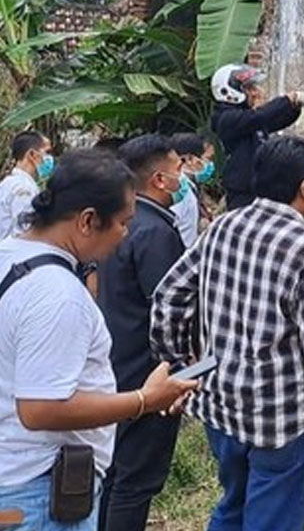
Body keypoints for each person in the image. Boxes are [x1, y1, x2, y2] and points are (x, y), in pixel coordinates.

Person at [151, 135, 304, 531]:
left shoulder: (223, 227)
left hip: (221, 409)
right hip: (281, 423)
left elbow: (168, 295)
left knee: (233, 506)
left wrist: (182, 370)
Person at [0, 150, 195, 531]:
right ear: (88, 220)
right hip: (39, 493)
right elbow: (39, 409)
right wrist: (144, 400)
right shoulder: (57, 293)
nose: (125, 235)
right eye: (122, 223)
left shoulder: (10, 255)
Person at [95, 136, 189, 531]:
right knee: (135, 481)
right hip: (147, 374)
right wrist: (184, 372)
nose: (183, 175)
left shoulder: (124, 224)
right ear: (158, 179)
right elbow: (172, 312)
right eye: (178, 168)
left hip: (116, 363)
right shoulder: (155, 234)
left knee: (113, 475)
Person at [210, 64, 304, 211]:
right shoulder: (226, 118)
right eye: (249, 89)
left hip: (257, 185)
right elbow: (260, 116)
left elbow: (273, 121)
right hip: (242, 189)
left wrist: (294, 107)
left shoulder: (247, 118)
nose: (254, 93)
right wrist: (286, 100)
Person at [0, 132, 53, 240]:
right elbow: (24, 228)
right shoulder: (23, 188)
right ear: (32, 155)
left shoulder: (9, 183)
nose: (49, 157)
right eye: (47, 152)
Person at [169, 133, 216, 248]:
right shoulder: (182, 193)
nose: (209, 165)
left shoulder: (189, 187)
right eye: (207, 159)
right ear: (189, 159)